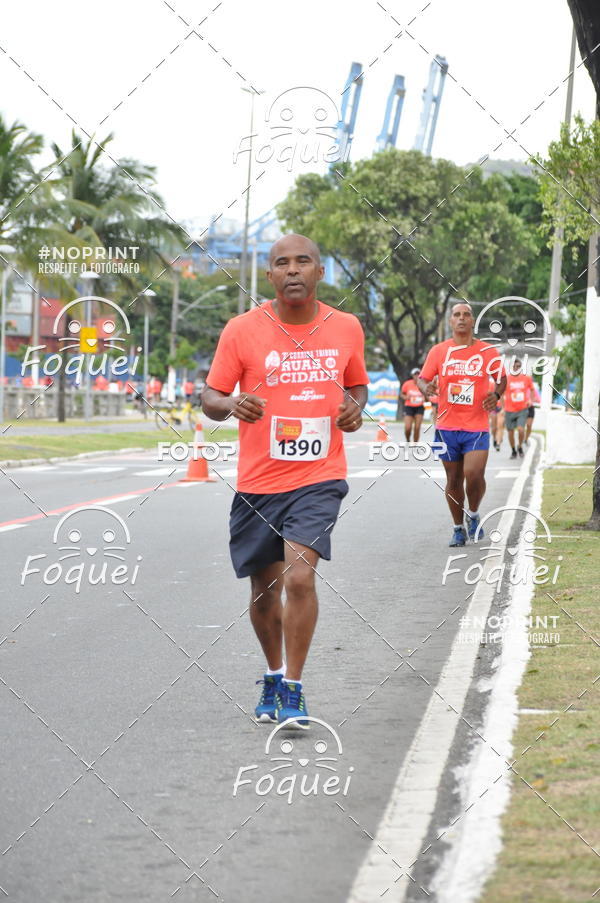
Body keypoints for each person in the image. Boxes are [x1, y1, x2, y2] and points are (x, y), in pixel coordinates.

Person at [202, 234, 369, 727]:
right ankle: (273, 673)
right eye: (281, 263)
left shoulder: (346, 327)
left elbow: (356, 382)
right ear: (270, 276)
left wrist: (354, 407)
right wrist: (231, 404)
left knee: (300, 576)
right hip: (259, 482)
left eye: (303, 262)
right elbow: (210, 396)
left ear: (320, 272)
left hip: (319, 477)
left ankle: (294, 689)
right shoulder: (241, 330)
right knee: (262, 592)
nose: (292, 270)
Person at [417, 302, 506, 547]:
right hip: (446, 427)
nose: (462, 318)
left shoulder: (487, 352)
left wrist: (496, 395)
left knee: (474, 474)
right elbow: (422, 380)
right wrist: (427, 388)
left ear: (473, 321)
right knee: (454, 479)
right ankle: (458, 528)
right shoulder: (438, 351)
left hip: (476, 425)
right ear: (450, 321)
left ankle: (474, 514)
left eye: (466, 314)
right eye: (457, 315)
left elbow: (502, 379)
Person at [504, 359, 534, 458]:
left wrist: (530, 400)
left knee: (521, 430)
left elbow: (532, 390)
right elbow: (500, 393)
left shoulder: (526, 378)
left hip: (522, 409)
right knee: (510, 432)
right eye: (514, 366)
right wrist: (502, 407)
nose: (516, 368)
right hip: (509, 409)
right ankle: (513, 450)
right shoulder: (507, 379)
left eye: (518, 366)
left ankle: (520, 446)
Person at [400, 367, 425, 442]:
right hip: (409, 407)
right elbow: (401, 394)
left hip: (419, 407)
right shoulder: (407, 384)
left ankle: (415, 444)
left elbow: (427, 395)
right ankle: (407, 440)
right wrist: (406, 397)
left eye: (418, 374)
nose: (417, 376)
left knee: (417, 428)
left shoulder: (423, 384)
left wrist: (425, 398)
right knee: (408, 427)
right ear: (412, 375)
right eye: (415, 374)